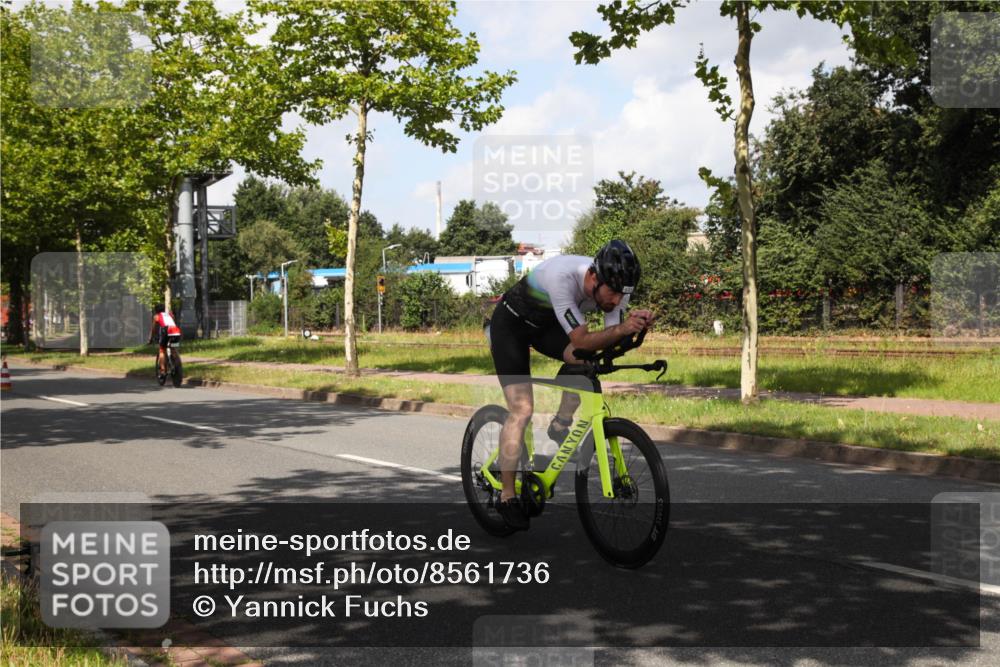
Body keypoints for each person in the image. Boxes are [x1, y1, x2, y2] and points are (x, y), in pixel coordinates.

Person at [487, 239, 655, 530]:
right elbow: (582, 339)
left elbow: (609, 340)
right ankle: (507, 495)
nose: (617, 300)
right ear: (593, 277)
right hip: (510, 326)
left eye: (623, 294)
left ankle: (560, 424)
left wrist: (635, 328)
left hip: (545, 326)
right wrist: (622, 328)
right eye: (613, 292)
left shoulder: (616, 287)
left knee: (586, 363)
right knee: (522, 409)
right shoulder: (563, 277)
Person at [148, 304, 182, 375]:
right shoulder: (171, 315)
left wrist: (150, 338)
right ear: (164, 309)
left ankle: (163, 370)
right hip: (176, 331)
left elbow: (153, 329)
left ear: (156, 311)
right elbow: (173, 323)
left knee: (162, 350)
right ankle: (176, 363)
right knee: (173, 348)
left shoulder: (156, 316)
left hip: (166, 331)